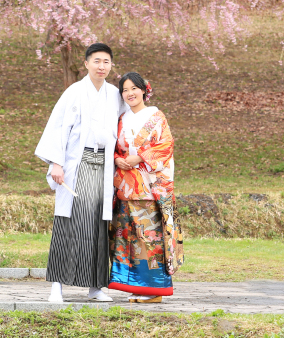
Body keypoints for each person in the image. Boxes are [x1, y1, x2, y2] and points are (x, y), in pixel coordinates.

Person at [35, 43, 126, 303]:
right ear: (86, 64)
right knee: (69, 222)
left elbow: (124, 126)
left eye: (106, 62)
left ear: (111, 65)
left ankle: (96, 286)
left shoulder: (114, 94)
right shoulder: (74, 92)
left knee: (98, 224)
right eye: (96, 61)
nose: (101, 66)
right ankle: (57, 285)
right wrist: (56, 163)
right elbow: (58, 127)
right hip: (78, 162)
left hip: (104, 164)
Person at [108, 72, 183, 303]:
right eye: (125, 90)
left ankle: (154, 290)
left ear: (144, 90)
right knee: (128, 237)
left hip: (149, 188)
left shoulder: (156, 116)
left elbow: (165, 146)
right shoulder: (121, 118)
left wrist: (139, 158)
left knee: (148, 237)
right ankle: (136, 286)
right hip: (125, 188)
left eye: (134, 88)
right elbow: (115, 145)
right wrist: (117, 158)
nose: (130, 93)